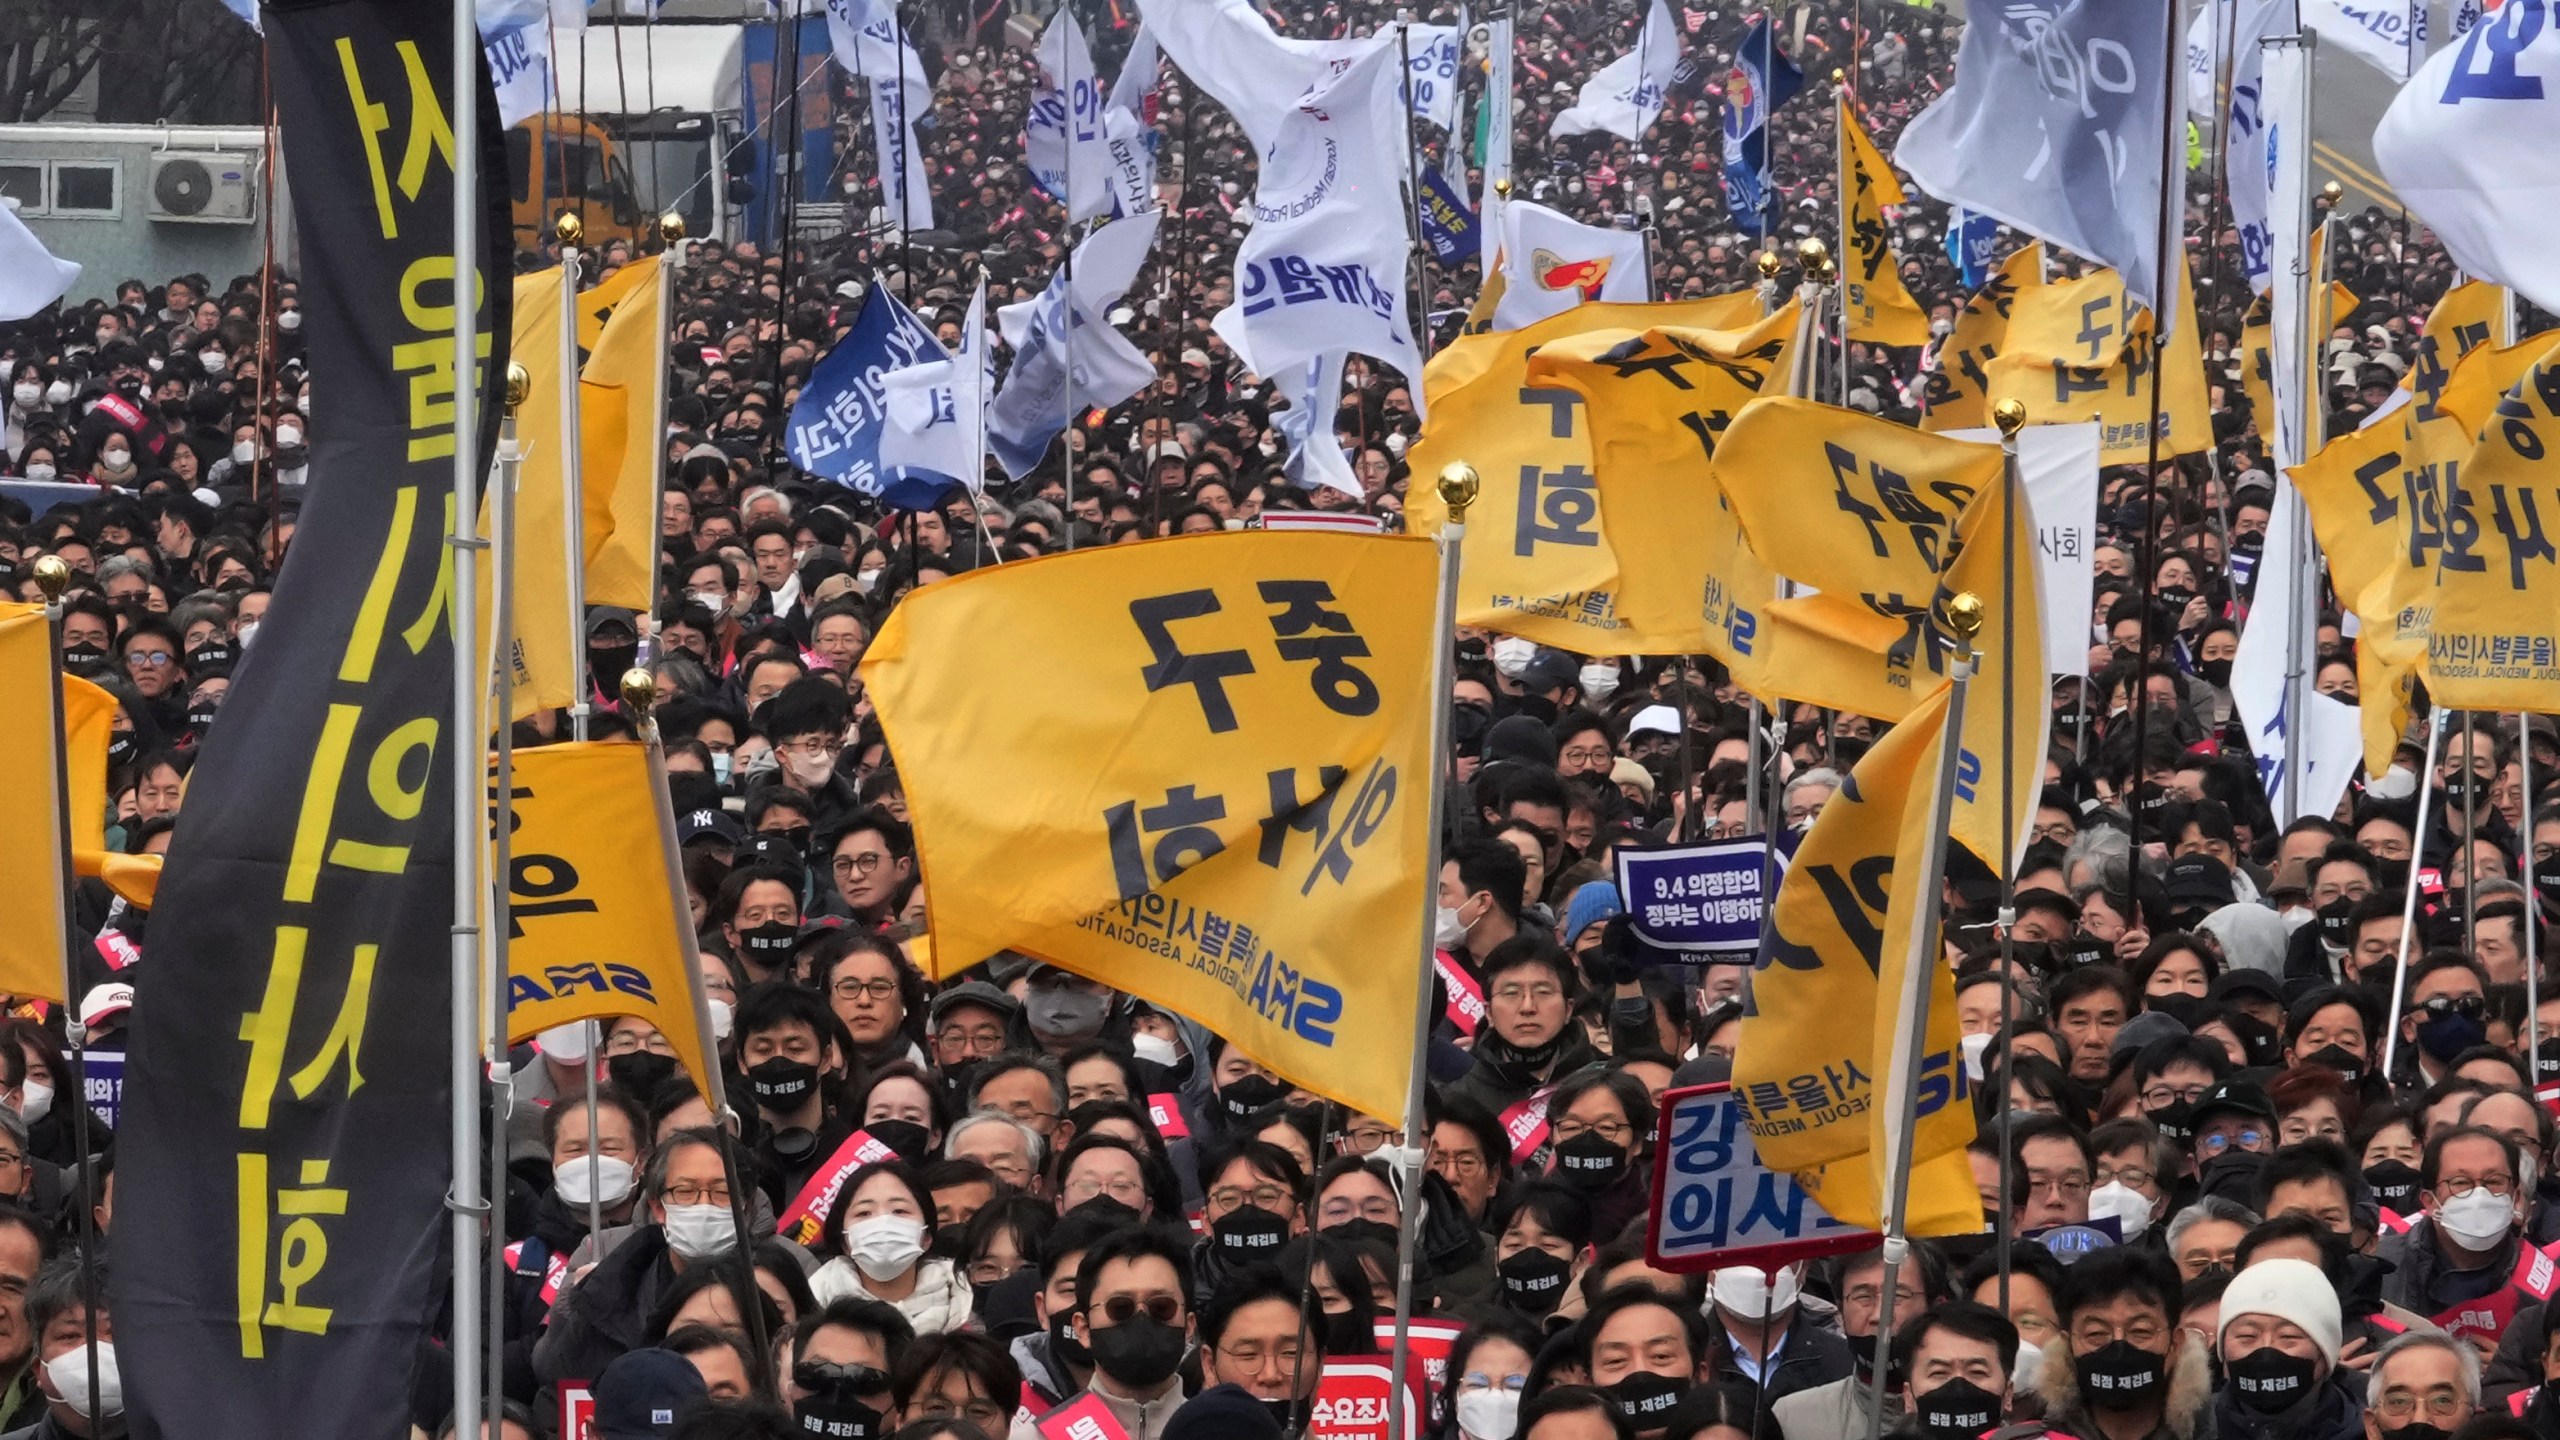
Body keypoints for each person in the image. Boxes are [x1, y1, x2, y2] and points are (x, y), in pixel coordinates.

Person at [1010, 1227, 1194, 1440]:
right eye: (1120, 1307)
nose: (1141, 1318)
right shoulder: (1035, 1438)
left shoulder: (1221, 1431)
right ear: (1083, 1328)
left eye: (1161, 1307)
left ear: (1189, 1326)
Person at [2030, 1246, 2209, 1440]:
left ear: (2176, 1343)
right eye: (2096, 1333)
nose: (2119, 1345)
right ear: (2068, 1345)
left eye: (2140, 1331)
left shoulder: (2218, 1431)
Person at [2210, 1258, 2360, 1440]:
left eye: (2289, 1337)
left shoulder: (2373, 1430)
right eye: (2247, 1336)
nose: (2266, 1350)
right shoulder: (2185, 1428)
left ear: (2325, 1351)